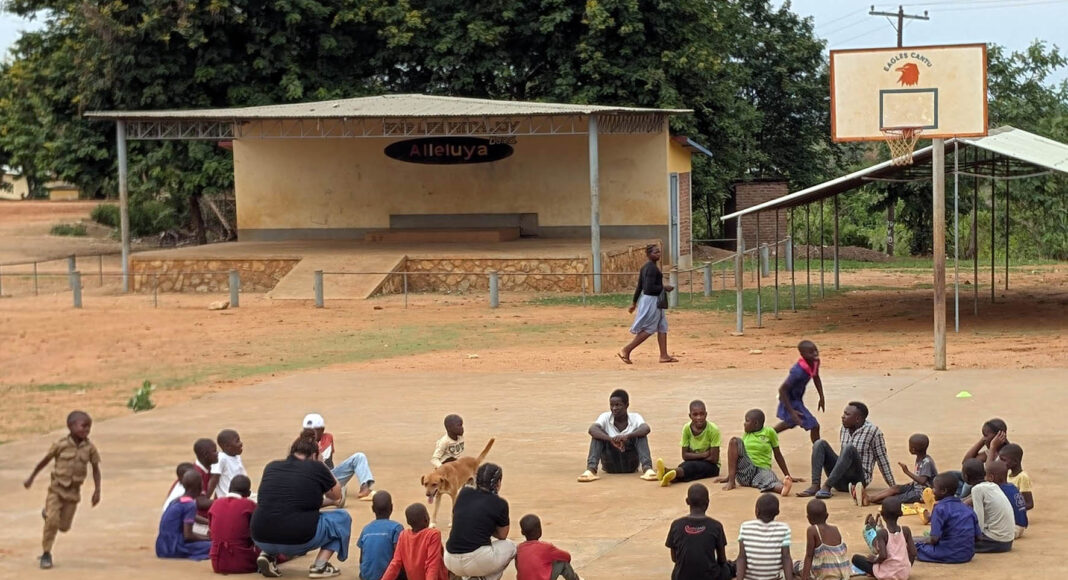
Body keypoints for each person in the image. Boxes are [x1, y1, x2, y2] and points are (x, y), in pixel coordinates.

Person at [251, 429, 351, 578]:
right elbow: (337, 494)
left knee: (276, 514)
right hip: (298, 539)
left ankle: (268, 555)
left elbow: (282, 501)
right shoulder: (316, 467)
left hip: (260, 536)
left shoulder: (271, 466)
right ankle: (320, 566)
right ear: (314, 455)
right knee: (342, 518)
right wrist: (322, 464)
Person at [23, 410, 102, 570]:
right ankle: (46, 553)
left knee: (64, 527)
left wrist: (97, 490)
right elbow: (44, 462)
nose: (86, 430)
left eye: (89, 428)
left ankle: (48, 515)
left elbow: (95, 469)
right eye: (83, 426)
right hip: (56, 490)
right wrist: (31, 477)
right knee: (52, 522)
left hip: (73, 493)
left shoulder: (90, 449)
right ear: (71, 426)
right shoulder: (60, 445)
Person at [797, 402, 894, 503]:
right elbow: (843, 459)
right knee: (819, 443)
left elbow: (882, 460)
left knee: (849, 448)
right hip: (839, 480)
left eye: (847, 415)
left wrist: (893, 487)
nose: (842, 417)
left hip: (858, 481)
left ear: (858, 419)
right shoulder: (844, 428)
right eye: (844, 413)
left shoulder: (873, 432)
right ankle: (815, 485)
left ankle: (827, 486)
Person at [444, 463, 516, 580]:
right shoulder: (500, 503)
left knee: (480, 548)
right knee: (511, 547)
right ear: (498, 483)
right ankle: (486, 578)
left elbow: (457, 518)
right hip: (477, 559)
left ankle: (468, 578)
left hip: (450, 559)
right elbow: (502, 535)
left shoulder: (464, 493)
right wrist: (486, 526)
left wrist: (478, 524)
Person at [577, 389, 658, 482]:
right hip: (610, 464)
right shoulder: (605, 417)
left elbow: (646, 428)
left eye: (618, 405)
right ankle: (590, 470)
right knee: (598, 435)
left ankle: (648, 469)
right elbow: (592, 429)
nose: (614, 408)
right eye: (611, 405)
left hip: (630, 464)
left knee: (640, 434)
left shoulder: (635, 417)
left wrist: (626, 437)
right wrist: (610, 439)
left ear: (627, 405)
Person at [618, 244, 677, 364]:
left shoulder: (645, 267)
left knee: (662, 326)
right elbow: (649, 288)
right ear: (649, 254)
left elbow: (639, 286)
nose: (658, 254)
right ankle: (627, 349)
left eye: (659, 252)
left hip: (650, 300)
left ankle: (664, 355)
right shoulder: (651, 268)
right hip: (652, 301)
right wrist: (664, 287)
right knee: (650, 328)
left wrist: (634, 303)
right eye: (655, 252)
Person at [715, 409, 795, 495]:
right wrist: (729, 477)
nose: (744, 423)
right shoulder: (747, 434)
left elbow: (778, 455)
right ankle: (731, 482)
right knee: (734, 441)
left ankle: (783, 489)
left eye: (747, 421)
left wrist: (788, 475)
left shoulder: (769, 432)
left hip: (762, 470)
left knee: (769, 478)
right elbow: (736, 457)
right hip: (745, 471)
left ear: (756, 423)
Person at [303, 412, 376, 503]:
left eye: (314, 431)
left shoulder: (327, 438)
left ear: (322, 429)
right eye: (307, 431)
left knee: (359, 457)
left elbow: (323, 458)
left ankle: (364, 489)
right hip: (310, 482)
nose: (310, 434)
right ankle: (329, 497)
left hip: (330, 479)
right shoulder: (301, 444)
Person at [665, 483, 731, 580]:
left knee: (678, 569)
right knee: (727, 568)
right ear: (708, 502)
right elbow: (722, 559)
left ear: (687, 501)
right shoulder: (716, 526)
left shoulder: (676, 525)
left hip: (681, 577)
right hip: (709, 577)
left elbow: (674, 558)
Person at [914, 473, 980, 564]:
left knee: (914, 546)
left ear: (943, 491)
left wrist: (921, 542)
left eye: (934, 488)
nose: (932, 491)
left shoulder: (940, 508)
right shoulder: (967, 508)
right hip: (967, 554)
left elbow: (934, 539)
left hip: (949, 553)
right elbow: (978, 537)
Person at [208, 474, 264, 574]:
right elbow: (258, 533)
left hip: (217, 562)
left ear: (229, 489)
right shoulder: (249, 504)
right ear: (249, 493)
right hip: (242, 562)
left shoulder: (216, 504)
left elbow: (211, 532)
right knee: (274, 553)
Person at [658, 400, 721, 487]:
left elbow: (714, 458)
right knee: (684, 466)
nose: (699, 417)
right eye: (695, 414)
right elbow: (684, 455)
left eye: (701, 414)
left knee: (691, 467)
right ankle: (670, 478)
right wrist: (704, 454)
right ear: (690, 416)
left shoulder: (713, 430)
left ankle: (666, 471)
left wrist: (693, 455)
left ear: (706, 414)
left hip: (712, 466)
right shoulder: (687, 428)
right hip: (696, 461)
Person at [773, 340, 825, 443]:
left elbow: (816, 377)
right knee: (814, 425)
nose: (815, 354)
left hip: (797, 398)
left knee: (790, 423)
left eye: (816, 350)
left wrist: (821, 396)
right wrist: (792, 411)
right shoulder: (798, 371)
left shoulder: (815, 362)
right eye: (811, 352)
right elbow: (782, 390)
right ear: (802, 354)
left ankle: (764, 437)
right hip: (790, 399)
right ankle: (820, 451)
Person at [850, 498, 915, 579]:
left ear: (882, 514)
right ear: (901, 514)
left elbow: (883, 556)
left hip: (886, 574)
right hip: (903, 574)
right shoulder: (906, 530)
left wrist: (874, 560)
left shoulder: (882, 533)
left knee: (856, 558)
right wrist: (907, 568)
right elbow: (913, 552)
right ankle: (875, 527)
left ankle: (873, 528)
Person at [156, 470, 212, 560]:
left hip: (161, 547)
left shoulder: (177, 500)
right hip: (175, 548)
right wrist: (208, 539)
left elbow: (190, 517)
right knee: (215, 546)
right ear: (199, 487)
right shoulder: (190, 505)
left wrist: (209, 522)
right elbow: (188, 535)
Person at [382, 503, 447, 580]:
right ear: (426, 518)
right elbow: (432, 565)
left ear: (408, 522)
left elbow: (395, 563)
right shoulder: (433, 535)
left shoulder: (403, 535)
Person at [961, 459, 1014, 553]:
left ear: (965, 476)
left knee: (957, 541)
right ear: (984, 473)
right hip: (1008, 541)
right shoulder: (993, 485)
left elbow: (979, 523)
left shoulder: (977, 490)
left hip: (996, 541)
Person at [865, 434, 936, 505]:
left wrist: (907, 472)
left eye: (910, 446)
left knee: (896, 498)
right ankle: (871, 498)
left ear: (913, 449)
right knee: (895, 488)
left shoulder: (927, 462)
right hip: (916, 487)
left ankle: (870, 499)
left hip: (922, 493)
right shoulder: (920, 458)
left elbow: (922, 481)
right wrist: (913, 482)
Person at [736, 494, 794, 580]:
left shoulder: (745, 527)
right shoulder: (784, 529)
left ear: (757, 511)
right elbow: (786, 557)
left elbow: (742, 557)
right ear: (778, 512)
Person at [951, 418, 1008, 498]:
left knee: (968, 484)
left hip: (988, 486)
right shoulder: (990, 451)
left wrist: (993, 446)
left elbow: (989, 470)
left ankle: (960, 500)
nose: (984, 438)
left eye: (986, 435)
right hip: (976, 480)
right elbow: (966, 462)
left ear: (997, 436)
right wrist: (982, 442)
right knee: (952, 475)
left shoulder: (1005, 453)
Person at [516, 514, 582, 580]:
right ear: (540, 531)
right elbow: (567, 557)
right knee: (562, 562)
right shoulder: (545, 547)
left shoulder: (519, 548)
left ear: (522, 532)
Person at [796, 499, 849, 580]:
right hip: (841, 572)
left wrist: (805, 576)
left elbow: (809, 555)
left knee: (798, 565)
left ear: (808, 518)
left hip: (825, 574)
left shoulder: (812, 530)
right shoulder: (835, 529)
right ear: (827, 515)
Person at [357, 491, 403, 580]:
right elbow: (399, 556)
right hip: (388, 576)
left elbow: (362, 558)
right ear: (392, 508)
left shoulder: (366, 529)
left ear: (372, 509)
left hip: (367, 576)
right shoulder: (396, 528)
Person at [985, 460, 1027, 539]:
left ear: (991, 477)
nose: (985, 478)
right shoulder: (1012, 486)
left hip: (1012, 529)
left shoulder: (998, 491)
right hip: (1021, 527)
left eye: (986, 476)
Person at [997, 443, 1034, 511]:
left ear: (1015, 462)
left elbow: (1029, 503)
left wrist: (1014, 509)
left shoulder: (1022, 477)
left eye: (1004, 460)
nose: (1000, 463)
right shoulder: (1007, 475)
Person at [216, 429, 248, 497]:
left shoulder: (237, 456)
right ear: (227, 446)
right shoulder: (222, 459)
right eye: (237, 441)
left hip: (241, 495)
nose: (241, 443)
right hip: (228, 498)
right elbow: (215, 481)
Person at [193, 438, 221, 513]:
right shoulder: (196, 474)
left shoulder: (206, 469)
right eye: (214, 451)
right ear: (205, 455)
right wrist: (224, 502)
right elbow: (200, 503)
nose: (218, 453)